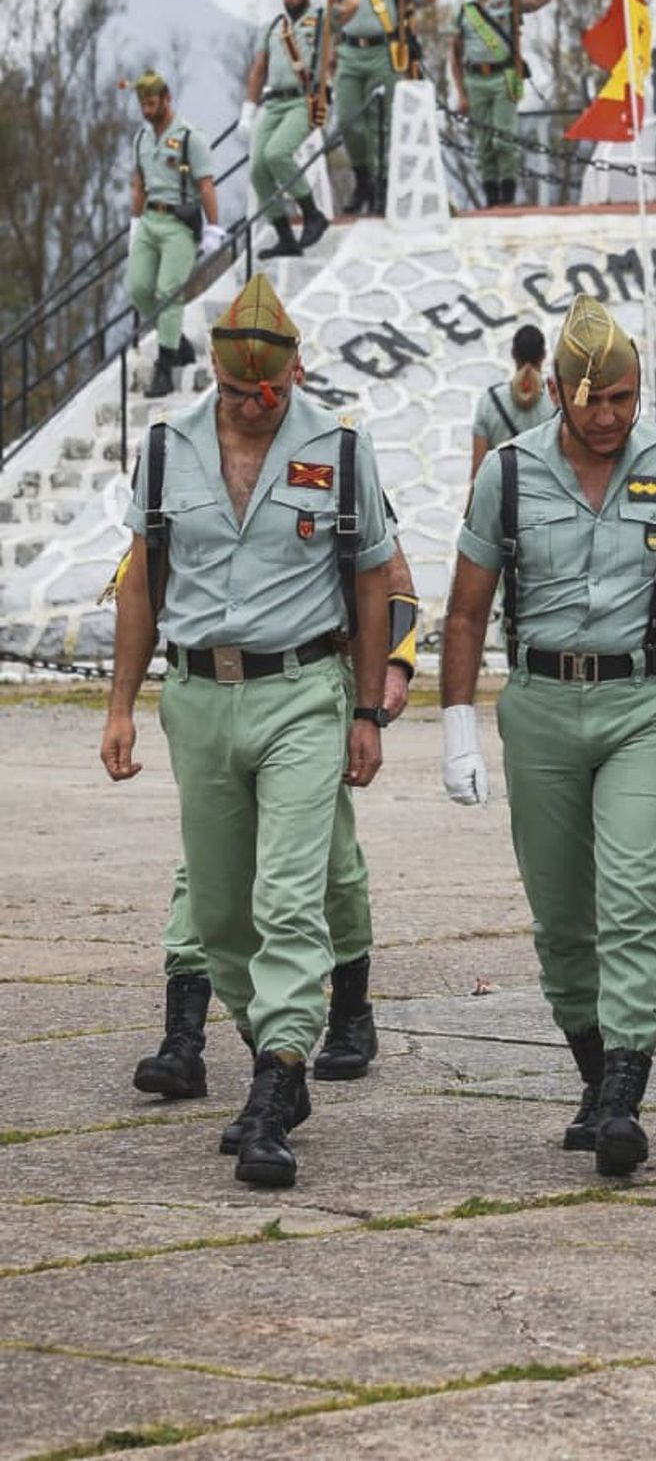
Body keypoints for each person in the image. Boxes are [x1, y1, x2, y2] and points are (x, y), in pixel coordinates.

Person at [439, 296, 656, 1179]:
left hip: (641, 705)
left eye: (623, 398)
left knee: (632, 901)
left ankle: (624, 1092)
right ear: (555, 389)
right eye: (592, 400)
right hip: (542, 706)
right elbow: (467, 608)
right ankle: (594, 1076)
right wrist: (456, 726)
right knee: (561, 922)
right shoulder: (506, 474)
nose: (609, 416)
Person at [99, 277, 396, 1188]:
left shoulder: (339, 448)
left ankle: (276, 1082)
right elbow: (143, 584)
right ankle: (272, 1039)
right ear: (220, 378)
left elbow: (376, 579)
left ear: (288, 378)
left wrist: (367, 709)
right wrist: (119, 704)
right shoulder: (166, 448)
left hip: (301, 690)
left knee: (289, 896)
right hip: (196, 696)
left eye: (268, 396)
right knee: (221, 911)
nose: (254, 409)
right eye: (238, 395)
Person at [134, 527, 423, 1110]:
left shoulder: (333, 458)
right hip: (219, 688)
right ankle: (183, 1036)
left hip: (318, 679)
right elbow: (144, 576)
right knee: (206, 872)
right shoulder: (192, 471)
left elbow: (390, 577)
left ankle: (349, 1009)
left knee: (332, 862)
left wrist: (394, 666)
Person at [333, 0, 443, 214]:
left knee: (386, 123)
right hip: (351, 49)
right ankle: (363, 178)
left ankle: (383, 184)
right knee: (349, 119)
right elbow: (335, 4)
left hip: (385, 49)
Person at [125, 70, 227, 398]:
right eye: (142, 104)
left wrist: (213, 227)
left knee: (168, 292)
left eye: (152, 103)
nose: (146, 110)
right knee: (139, 289)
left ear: (167, 99)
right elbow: (139, 181)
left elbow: (206, 184)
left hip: (179, 225)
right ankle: (179, 342)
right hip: (150, 220)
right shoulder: (142, 138)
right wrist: (135, 222)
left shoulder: (188, 137)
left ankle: (165, 368)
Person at [238, 0, 333, 262]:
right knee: (257, 168)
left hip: (303, 100)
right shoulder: (273, 26)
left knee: (277, 154)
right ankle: (285, 236)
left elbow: (352, 8)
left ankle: (312, 213)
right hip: (274, 102)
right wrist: (249, 108)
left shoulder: (321, 20)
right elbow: (258, 69)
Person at [450, 0, 550, 207]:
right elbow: (455, 53)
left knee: (504, 139)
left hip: (503, 76)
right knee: (483, 144)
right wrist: (460, 92)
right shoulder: (463, 8)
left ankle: (507, 193)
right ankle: (490, 196)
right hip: (475, 79)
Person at [467, 324, 552, 495]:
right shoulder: (557, 401)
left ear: (513, 354)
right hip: (545, 498)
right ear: (543, 355)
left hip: (504, 499)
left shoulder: (490, 401)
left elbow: (478, 471)